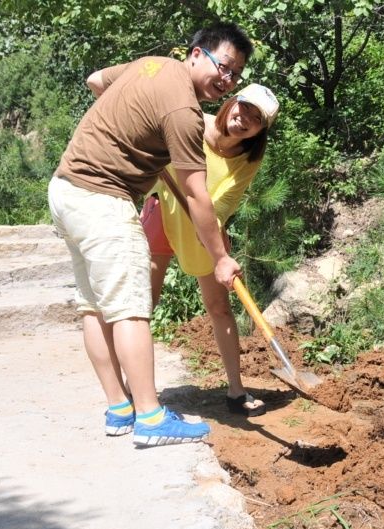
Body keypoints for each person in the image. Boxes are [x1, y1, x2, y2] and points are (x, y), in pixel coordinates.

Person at [48, 23, 253, 446]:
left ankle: (120, 408)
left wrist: (132, 133)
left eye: (235, 75)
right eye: (224, 66)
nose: (227, 80)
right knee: (129, 309)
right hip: (103, 197)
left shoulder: (150, 65)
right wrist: (219, 258)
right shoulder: (184, 110)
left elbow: (95, 81)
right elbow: (197, 194)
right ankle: (150, 417)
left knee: (96, 306)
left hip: (67, 188)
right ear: (196, 53)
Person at [141, 84, 280, 417]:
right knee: (144, 301)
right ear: (231, 102)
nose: (244, 118)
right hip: (163, 209)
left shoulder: (249, 158)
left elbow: (228, 199)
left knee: (219, 306)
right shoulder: (193, 122)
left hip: (206, 225)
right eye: (243, 107)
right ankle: (137, 390)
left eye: (256, 118)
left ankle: (236, 391)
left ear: (261, 130)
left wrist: (208, 226)